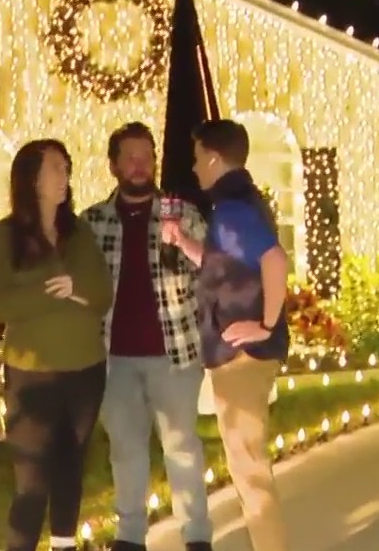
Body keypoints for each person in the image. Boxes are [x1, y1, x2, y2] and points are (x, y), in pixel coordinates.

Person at [82, 122, 213, 551]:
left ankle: (195, 535)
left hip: (174, 354)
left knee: (182, 447)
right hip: (113, 358)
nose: (140, 166)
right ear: (114, 165)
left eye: (147, 156)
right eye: (131, 158)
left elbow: (213, 270)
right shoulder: (93, 223)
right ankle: (130, 535)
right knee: (125, 449)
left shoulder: (184, 214)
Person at [162, 119, 290, 551]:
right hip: (243, 351)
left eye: (198, 157)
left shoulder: (233, 208)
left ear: (215, 158)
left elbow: (274, 261)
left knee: (250, 468)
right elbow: (229, 265)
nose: (195, 167)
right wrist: (185, 243)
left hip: (242, 355)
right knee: (249, 466)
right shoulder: (237, 204)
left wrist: (266, 325)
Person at [0, 138, 113, 551]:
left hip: (85, 371)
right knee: (32, 481)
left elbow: (103, 292)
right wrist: (49, 292)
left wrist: (76, 287)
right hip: (32, 376)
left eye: (66, 168)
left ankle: (64, 545)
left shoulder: (80, 232)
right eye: (56, 167)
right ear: (31, 177)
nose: (65, 175)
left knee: (71, 467)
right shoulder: (7, 236)